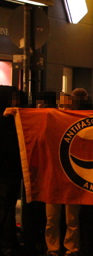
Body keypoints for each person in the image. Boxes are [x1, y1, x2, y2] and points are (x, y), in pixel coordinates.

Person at [45, 93, 81, 256]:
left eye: (68, 105)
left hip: (71, 176)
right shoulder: (50, 121)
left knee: (71, 218)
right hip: (54, 175)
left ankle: (70, 248)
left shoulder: (79, 123)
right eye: (62, 105)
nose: (64, 108)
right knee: (52, 217)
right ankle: (54, 248)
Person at [0, 86, 23, 256]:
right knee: (6, 208)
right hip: (9, 173)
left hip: (9, 173)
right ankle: (9, 241)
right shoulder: (11, 123)